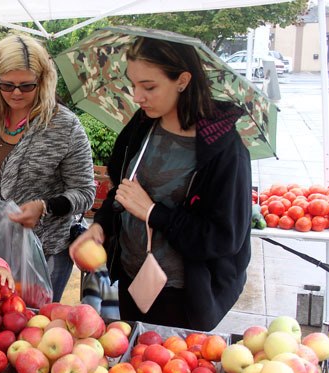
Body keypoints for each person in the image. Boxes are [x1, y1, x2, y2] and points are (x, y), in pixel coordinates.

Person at [69, 37, 252, 331]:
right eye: (133, 85)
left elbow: (223, 238)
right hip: (131, 280)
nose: (137, 97)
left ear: (182, 80)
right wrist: (100, 225)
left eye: (149, 86)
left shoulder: (223, 149)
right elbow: (122, 191)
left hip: (182, 295)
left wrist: (154, 213)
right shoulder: (142, 126)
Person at [0, 34, 95, 302]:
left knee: (36, 324)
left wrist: (45, 207)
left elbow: (85, 192)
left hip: (45, 253)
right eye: (6, 85)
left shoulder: (64, 126)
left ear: (43, 82)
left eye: (26, 85)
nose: (16, 93)